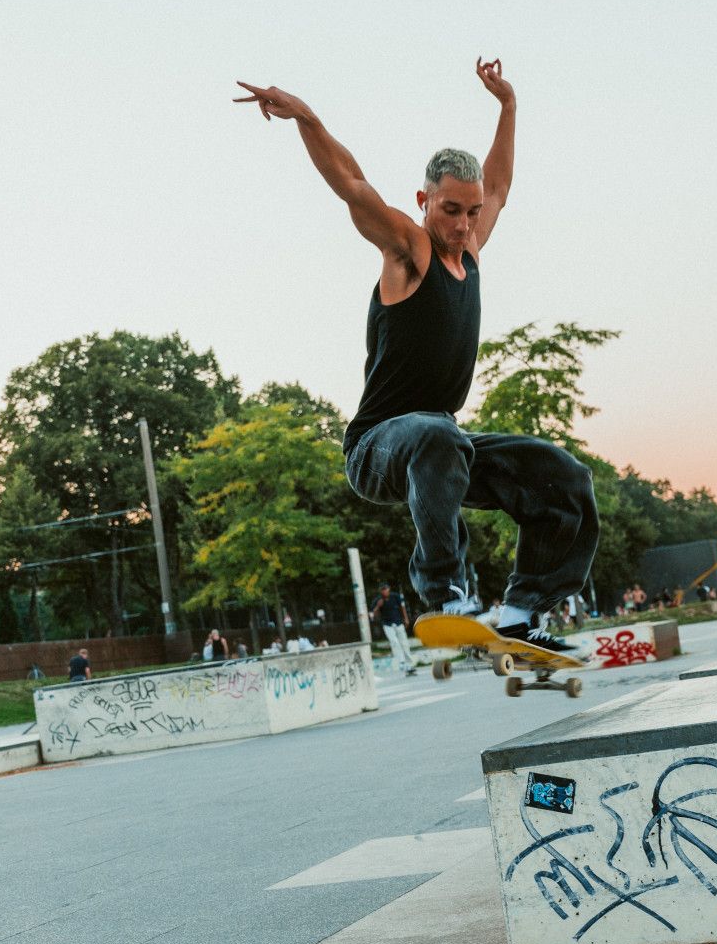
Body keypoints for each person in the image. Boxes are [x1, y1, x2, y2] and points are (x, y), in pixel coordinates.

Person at [235, 60, 598, 654]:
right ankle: (447, 593)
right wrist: (307, 118)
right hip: (379, 447)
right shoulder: (409, 248)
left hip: (442, 448)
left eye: (471, 212)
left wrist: (507, 106)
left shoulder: (473, 246)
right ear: (425, 200)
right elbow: (352, 185)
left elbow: (501, 183)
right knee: (437, 435)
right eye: (450, 210)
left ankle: (521, 610)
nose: (462, 224)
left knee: (563, 478)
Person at [370, 583, 417, 675]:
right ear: (380, 591)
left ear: (389, 589)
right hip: (387, 624)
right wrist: (378, 607)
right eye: (383, 590)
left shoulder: (395, 596)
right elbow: (373, 615)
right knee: (394, 642)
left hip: (398, 622)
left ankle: (409, 664)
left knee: (404, 643)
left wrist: (406, 618)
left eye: (386, 589)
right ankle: (401, 662)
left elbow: (402, 607)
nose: (385, 591)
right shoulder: (378, 600)